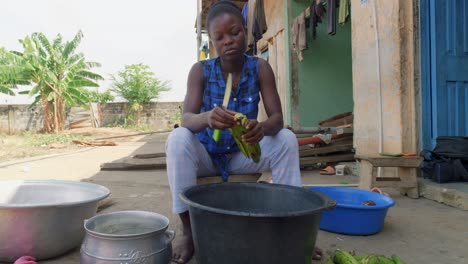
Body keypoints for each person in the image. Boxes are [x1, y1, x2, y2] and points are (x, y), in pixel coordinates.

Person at [165, 1, 321, 263]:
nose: (228, 41)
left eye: (235, 32)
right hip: (205, 157)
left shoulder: (260, 68)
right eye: (219, 37)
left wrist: (262, 128)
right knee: (177, 138)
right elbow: (187, 118)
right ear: (212, 41)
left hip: (241, 155)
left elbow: (277, 119)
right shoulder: (200, 71)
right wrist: (206, 118)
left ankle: (293, 228)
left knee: (286, 139)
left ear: (246, 31)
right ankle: (189, 232)